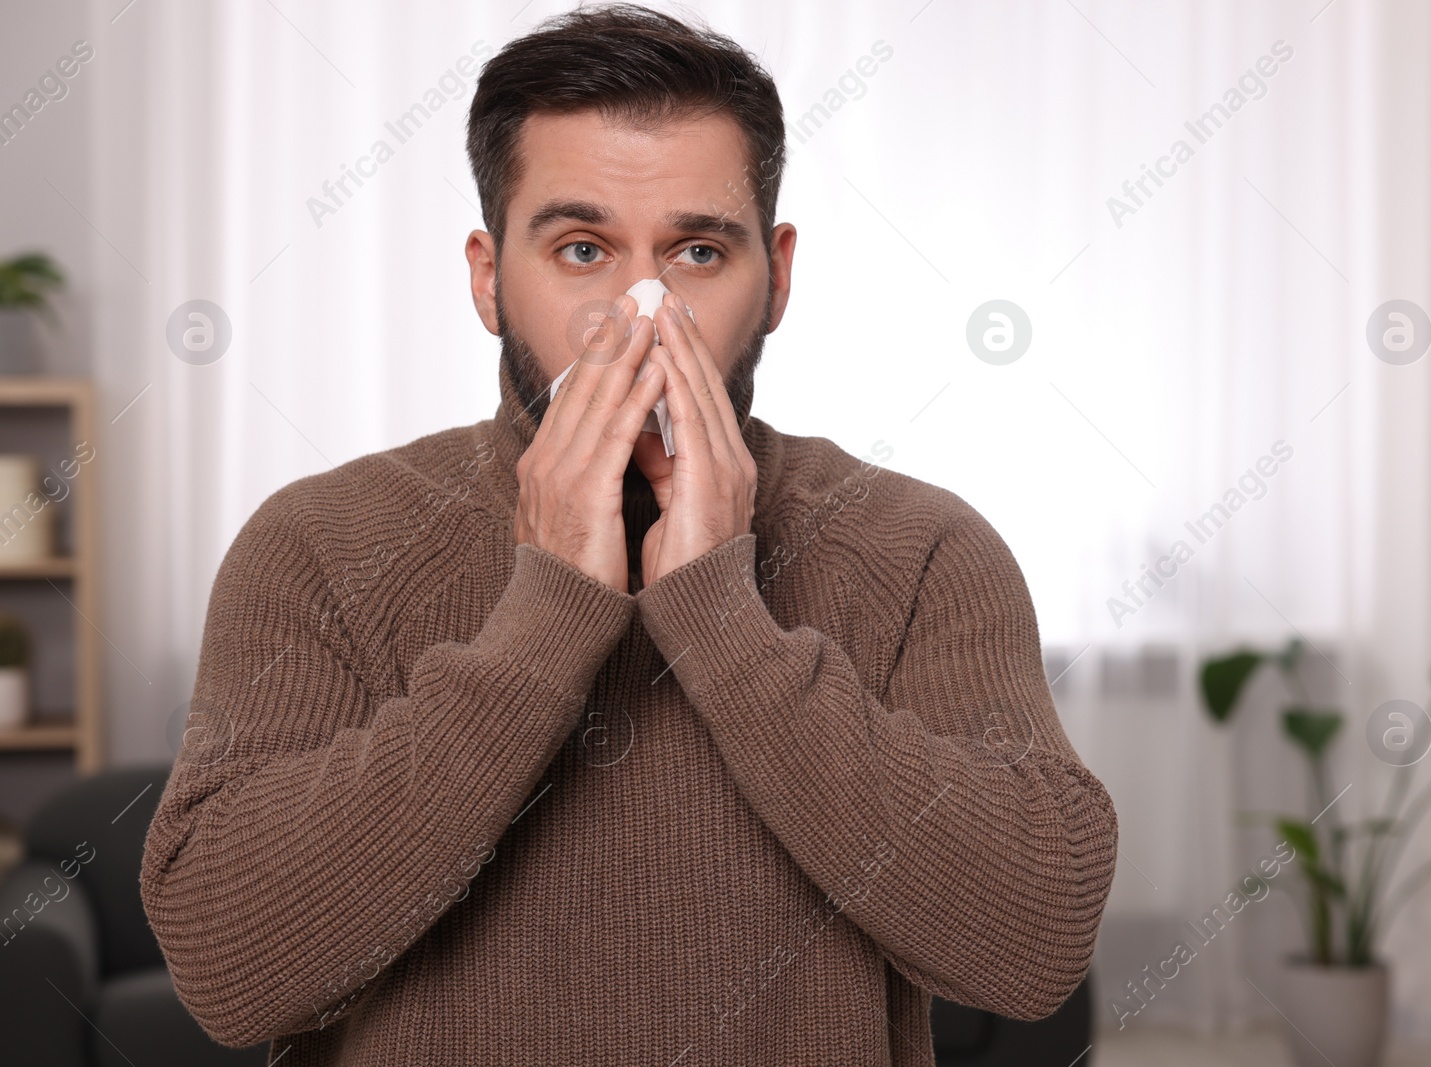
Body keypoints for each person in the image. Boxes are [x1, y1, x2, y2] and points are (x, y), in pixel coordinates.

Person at [139, 5, 1118, 1064]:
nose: (640, 312)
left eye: (697, 251)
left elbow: (1032, 944)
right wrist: (546, 613)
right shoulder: (321, 543)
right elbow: (229, 972)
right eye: (580, 247)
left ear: (777, 277)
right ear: (486, 276)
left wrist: (723, 617)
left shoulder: (919, 546)